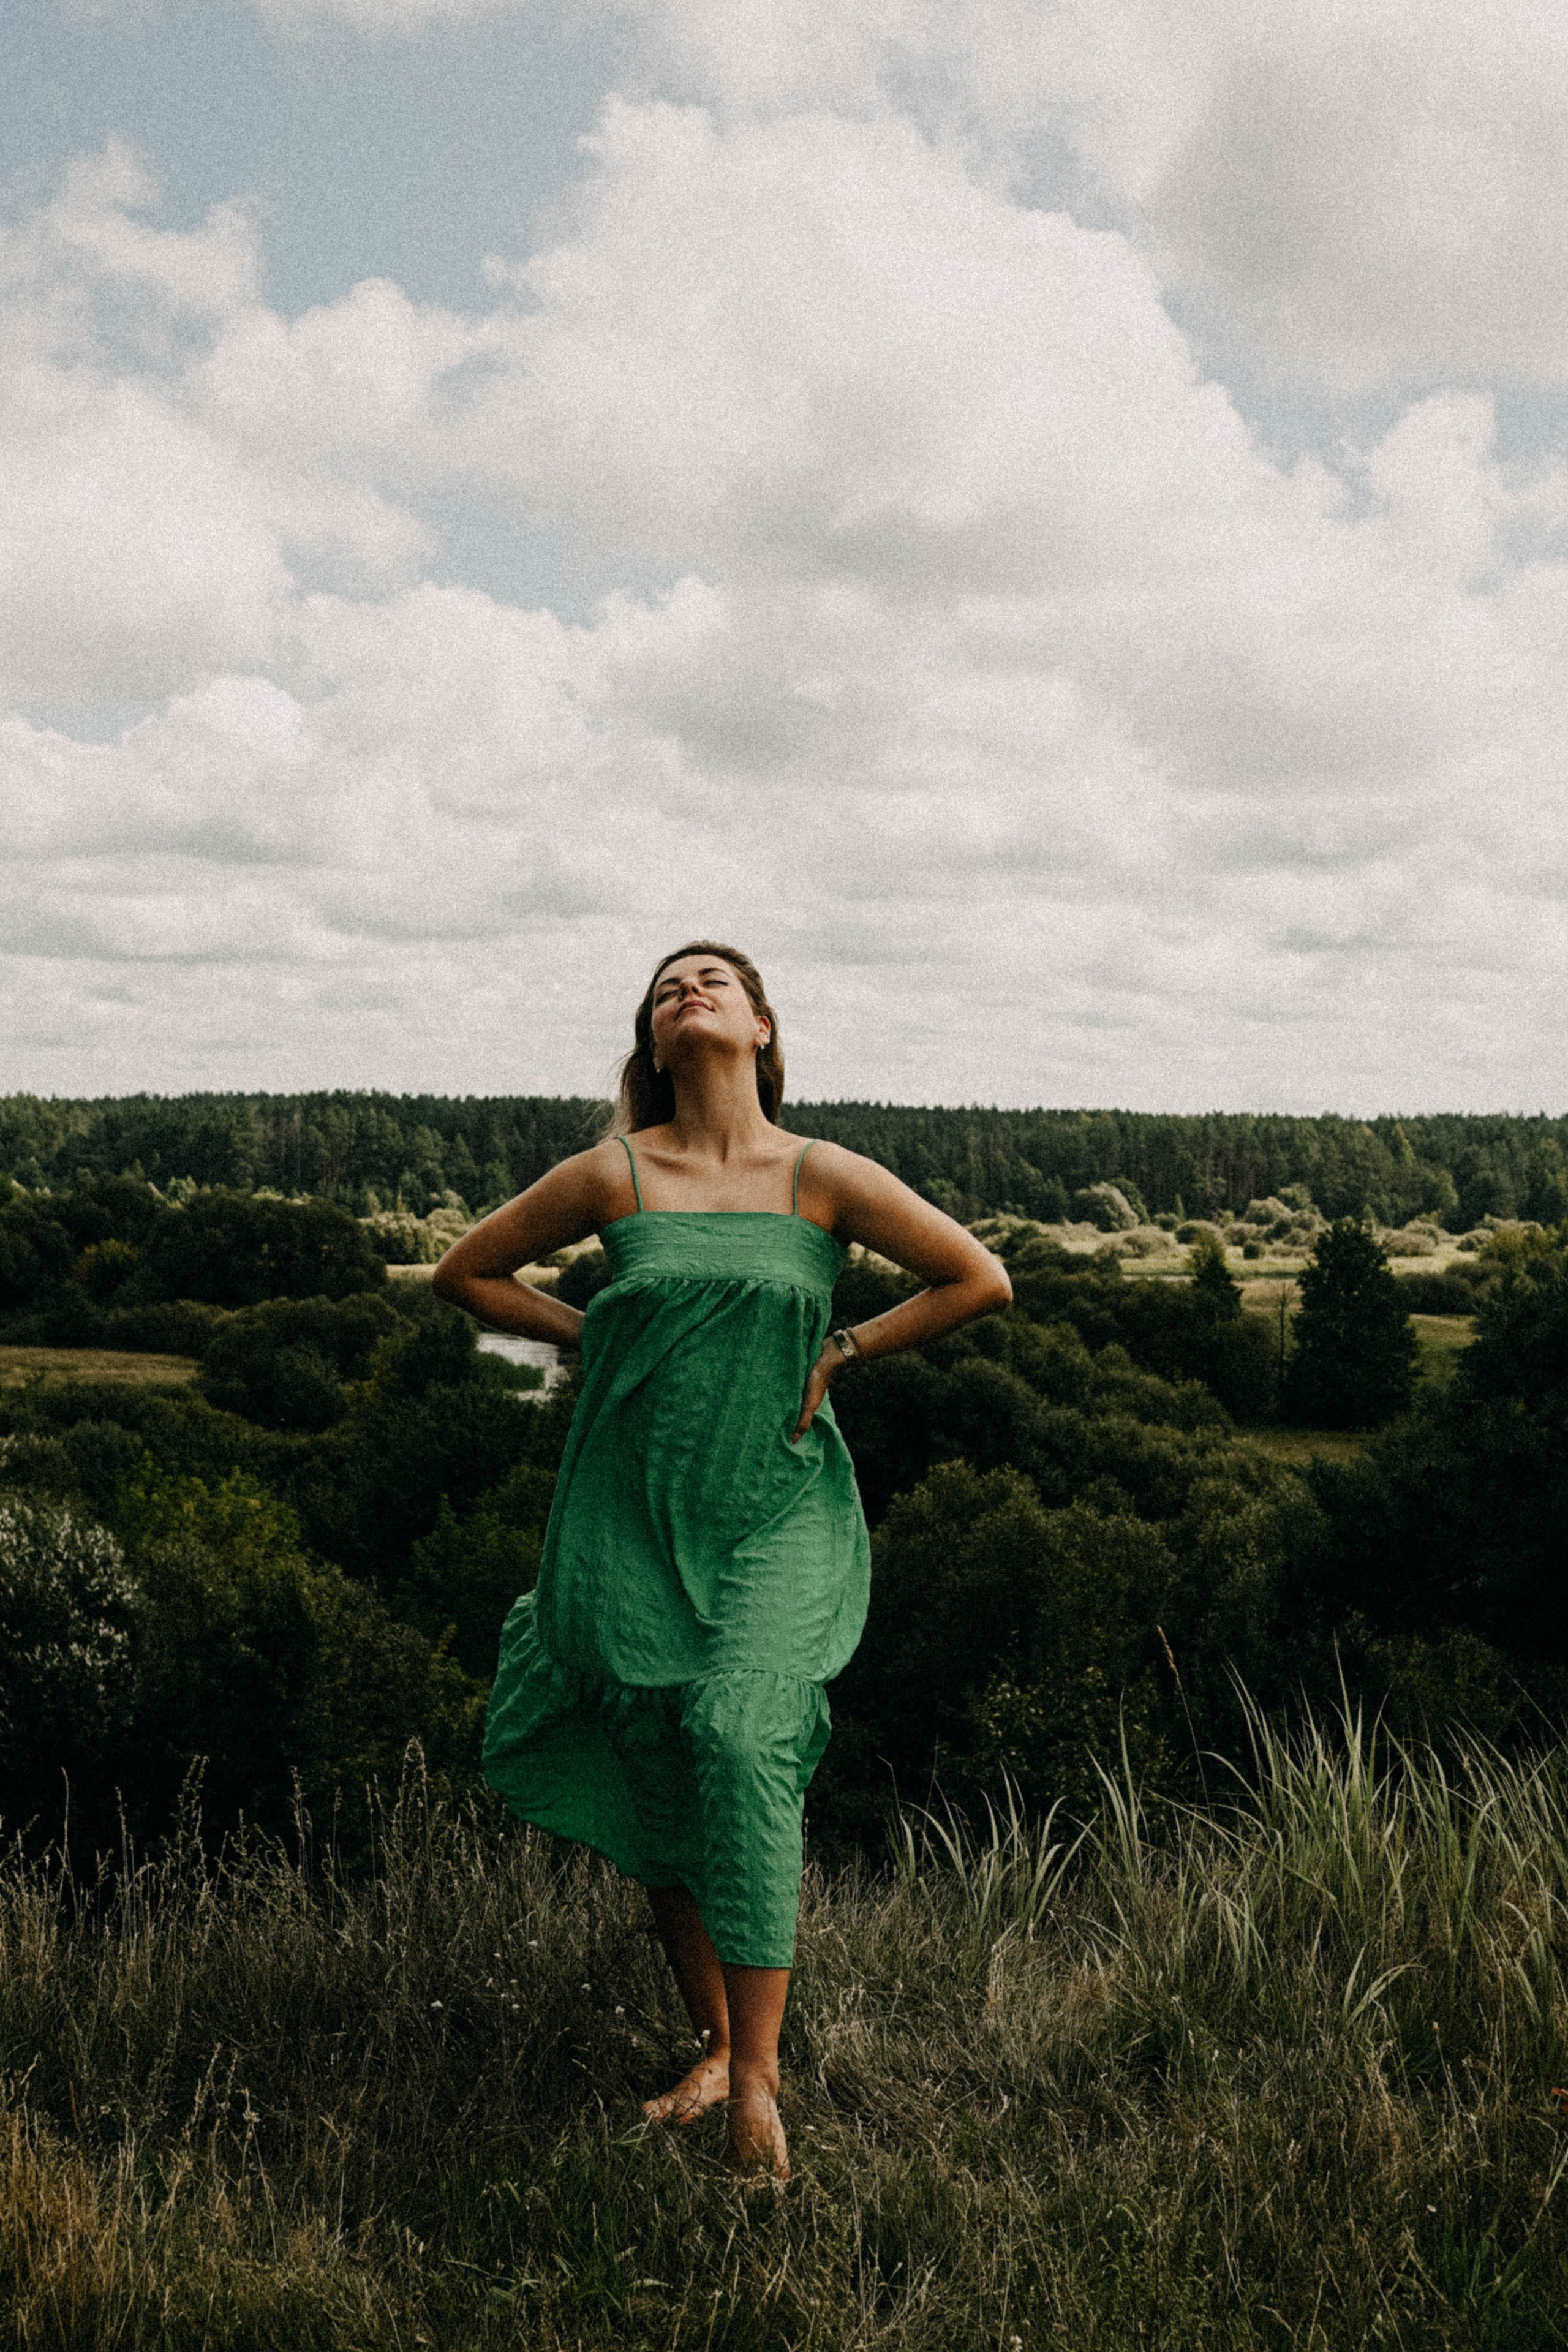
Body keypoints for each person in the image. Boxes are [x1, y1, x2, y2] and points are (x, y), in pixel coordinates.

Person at [432, 942, 1010, 2179]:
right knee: (657, 1752)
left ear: (762, 1028)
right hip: (628, 1510)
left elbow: (977, 1279)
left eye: (715, 979)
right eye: (666, 986)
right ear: (651, 1043)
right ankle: (711, 2039)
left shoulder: (819, 1175)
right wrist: (585, 1333)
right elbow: (465, 1273)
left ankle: (756, 2085)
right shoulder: (613, 1174)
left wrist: (846, 1348)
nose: (687, 990)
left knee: (742, 1734)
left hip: (775, 1510)